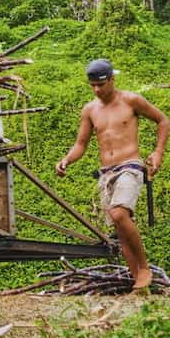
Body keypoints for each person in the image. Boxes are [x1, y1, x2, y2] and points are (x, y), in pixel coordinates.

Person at [56, 59, 168, 291]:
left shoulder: (131, 100)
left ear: (112, 80)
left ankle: (144, 267)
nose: (97, 89)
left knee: (119, 213)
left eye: (101, 84)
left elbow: (163, 120)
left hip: (130, 166)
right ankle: (139, 284)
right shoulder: (90, 110)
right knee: (120, 229)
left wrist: (158, 153)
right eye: (93, 86)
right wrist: (67, 159)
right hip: (107, 173)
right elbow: (81, 144)